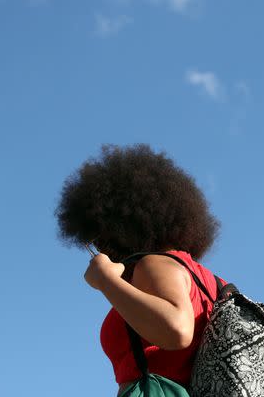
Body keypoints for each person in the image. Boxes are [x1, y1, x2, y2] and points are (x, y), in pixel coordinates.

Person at [56, 144, 222, 396]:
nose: (100, 249)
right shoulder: (210, 283)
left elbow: (176, 330)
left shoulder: (154, 264)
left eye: (99, 238)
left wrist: (105, 280)